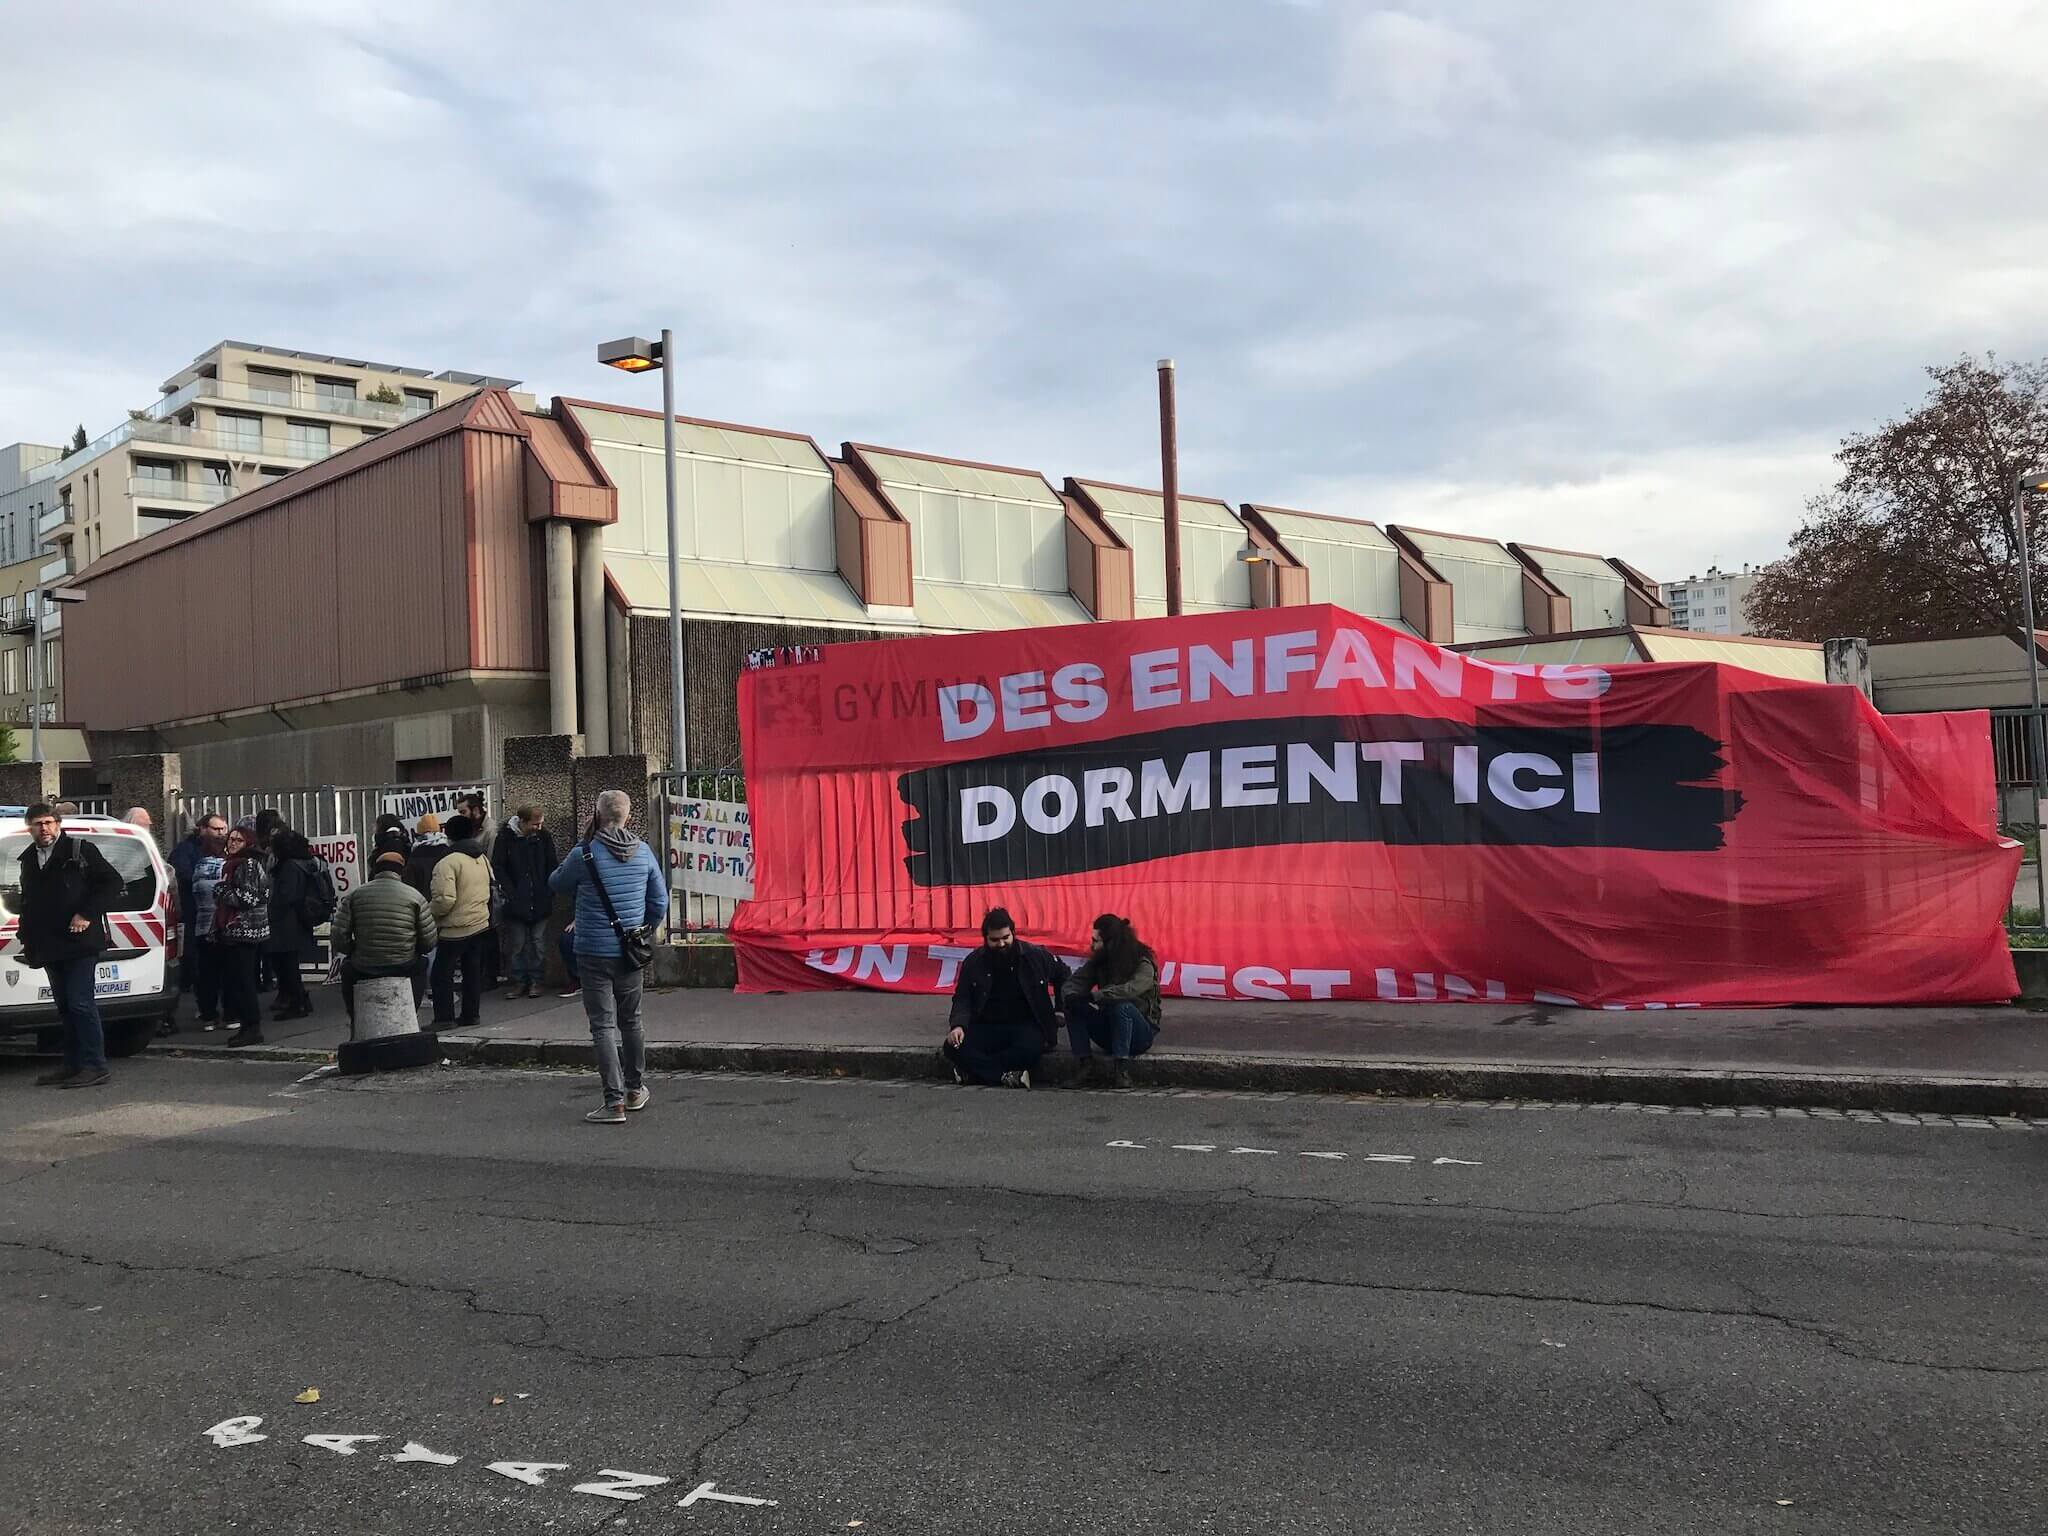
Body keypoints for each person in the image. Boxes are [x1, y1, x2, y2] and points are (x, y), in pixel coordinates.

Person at [549, 790, 667, 1125]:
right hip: (628, 952)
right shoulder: (643, 852)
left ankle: (612, 1102)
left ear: (598, 816)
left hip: (591, 950)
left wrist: (575, 849)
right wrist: (644, 931)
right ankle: (634, 1089)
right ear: (628, 816)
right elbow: (659, 902)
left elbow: (555, 882)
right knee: (632, 1020)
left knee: (602, 1025)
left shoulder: (584, 854)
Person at [20, 803, 124, 1088]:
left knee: (81, 1004)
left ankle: (95, 1066)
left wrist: (87, 914)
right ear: (29, 827)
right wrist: (26, 937)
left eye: (49, 822)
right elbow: (29, 901)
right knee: (65, 1006)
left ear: (58, 824)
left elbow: (112, 882)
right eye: (38, 824)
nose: (45, 828)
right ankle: (73, 1064)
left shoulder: (80, 850)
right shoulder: (29, 858)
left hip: (79, 942)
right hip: (49, 945)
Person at [943, 907, 1069, 1089]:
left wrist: (1060, 1009)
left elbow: (1064, 975)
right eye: (995, 940)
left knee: (1031, 1050)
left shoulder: (1035, 956)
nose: (1001, 944)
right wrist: (958, 1026)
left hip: (1028, 1025)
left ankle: (974, 1072)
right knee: (951, 1046)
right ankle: (1004, 1076)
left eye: (1005, 938)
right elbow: (963, 998)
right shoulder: (974, 962)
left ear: (1013, 934)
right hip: (987, 1026)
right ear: (985, 938)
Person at [1061, 913, 1162, 1089]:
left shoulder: (1142, 961)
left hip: (1140, 1035)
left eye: (1096, 941)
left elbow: (1131, 989)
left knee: (1120, 1005)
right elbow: (1073, 984)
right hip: (1109, 1031)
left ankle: (1121, 1069)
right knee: (1073, 1004)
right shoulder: (1099, 962)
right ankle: (1085, 1065)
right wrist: (1072, 996)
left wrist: (1096, 996)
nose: (1092, 946)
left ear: (1110, 943)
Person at [331, 850, 436, 1018]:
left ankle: (355, 1018)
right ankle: (410, 1014)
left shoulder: (355, 895)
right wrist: (412, 950)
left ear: (375, 870)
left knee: (347, 970)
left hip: (364, 965)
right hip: (404, 964)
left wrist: (353, 951)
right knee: (421, 964)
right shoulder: (415, 896)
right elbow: (429, 941)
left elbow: (338, 935)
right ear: (401, 871)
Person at [209, 822, 271, 1046]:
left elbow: (249, 898)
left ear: (248, 843)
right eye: (231, 839)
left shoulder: (249, 865)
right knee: (236, 980)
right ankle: (246, 1025)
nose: (232, 843)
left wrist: (221, 890)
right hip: (233, 932)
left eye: (238, 840)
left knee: (244, 982)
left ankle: (252, 1027)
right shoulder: (232, 865)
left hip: (246, 931)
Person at [428, 813, 492, 1027]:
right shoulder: (480, 857)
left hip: (455, 927)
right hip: (480, 922)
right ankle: (471, 1014)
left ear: (448, 834)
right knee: (472, 972)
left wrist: (429, 913)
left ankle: (444, 1017)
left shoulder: (447, 862)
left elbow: (444, 900)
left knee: (441, 974)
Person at [491, 804, 557, 999]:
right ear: (523, 822)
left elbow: (552, 864)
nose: (539, 827)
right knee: (518, 945)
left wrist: (548, 889)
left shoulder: (543, 837)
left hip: (539, 896)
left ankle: (536, 981)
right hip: (517, 899)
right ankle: (520, 981)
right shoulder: (505, 838)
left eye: (541, 824)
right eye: (535, 824)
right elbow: (499, 866)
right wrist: (511, 892)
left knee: (537, 943)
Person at [264, 827, 327, 1021]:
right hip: (300, 920)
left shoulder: (289, 866)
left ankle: (298, 1002)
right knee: (289, 965)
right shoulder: (308, 862)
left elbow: (286, 896)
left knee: (287, 966)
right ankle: (299, 1000)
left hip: (286, 922)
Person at [183, 816, 230, 1029]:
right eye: (217, 829)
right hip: (226, 926)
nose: (221, 833)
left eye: (223, 829)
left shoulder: (199, 866)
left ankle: (208, 1015)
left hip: (203, 925)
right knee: (229, 973)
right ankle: (231, 1014)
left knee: (207, 973)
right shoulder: (230, 866)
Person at [404, 813, 450, 899]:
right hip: (444, 901)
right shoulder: (448, 851)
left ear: (419, 832)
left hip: (422, 903)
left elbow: (409, 885)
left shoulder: (415, 854)